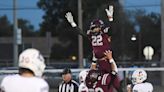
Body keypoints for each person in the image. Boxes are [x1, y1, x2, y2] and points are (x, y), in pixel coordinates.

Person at [65, 5, 122, 92]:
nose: (93, 29)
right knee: (99, 83)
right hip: (98, 62)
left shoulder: (104, 33)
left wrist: (110, 18)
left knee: (115, 82)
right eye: (93, 28)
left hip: (107, 60)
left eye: (95, 27)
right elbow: (81, 33)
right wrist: (73, 24)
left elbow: (113, 29)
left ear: (100, 27)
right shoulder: (91, 35)